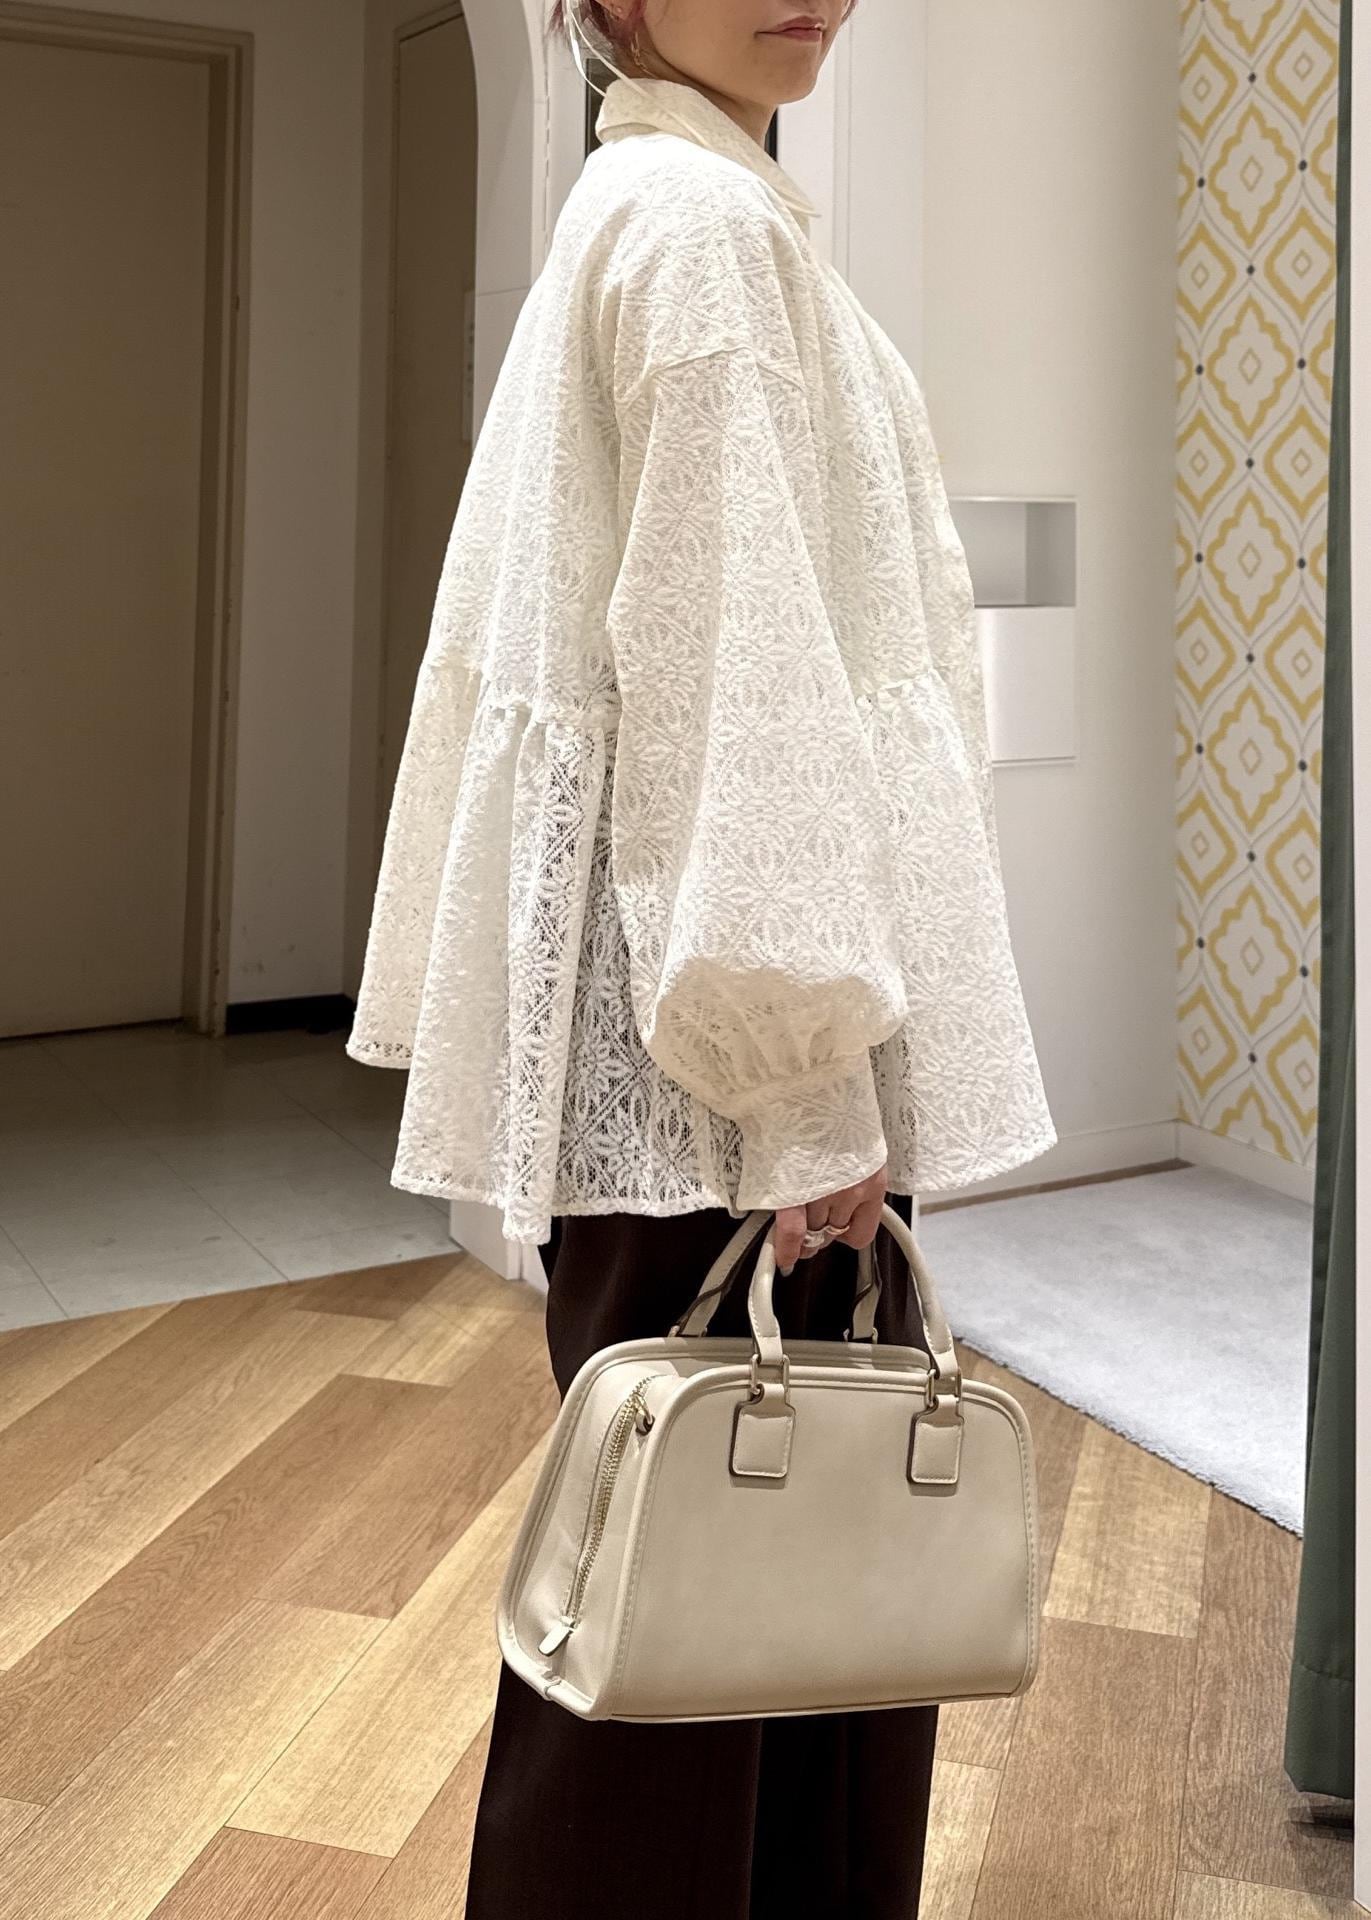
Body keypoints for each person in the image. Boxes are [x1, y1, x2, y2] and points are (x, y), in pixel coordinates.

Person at [347, 2, 1057, 1913]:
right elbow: (731, 691)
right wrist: (803, 1086)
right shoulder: (703, 232)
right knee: (713, 1628)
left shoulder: (676, 202)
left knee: (719, 1605)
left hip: (699, 1052)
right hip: (726, 1080)